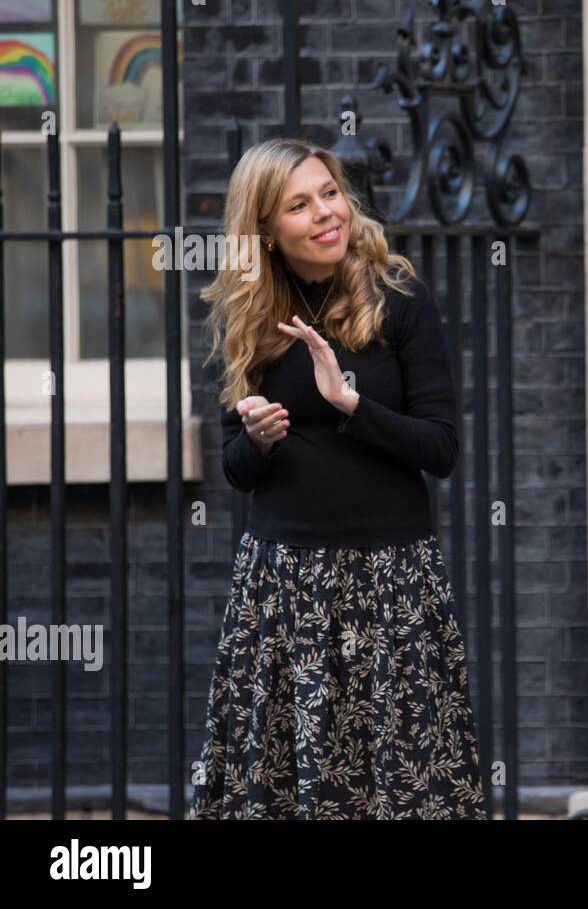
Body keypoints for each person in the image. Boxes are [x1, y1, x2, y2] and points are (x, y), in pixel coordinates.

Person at [190, 138, 485, 819]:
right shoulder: (250, 314)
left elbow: (441, 448)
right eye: (300, 204)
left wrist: (351, 403)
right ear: (265, 229)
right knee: (290, 783)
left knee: (404, 781)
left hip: (390, 579)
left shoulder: (398, 300)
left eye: (330, 193)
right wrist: (258, 440)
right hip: (283, 584)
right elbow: (234, 469)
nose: (327, 213)